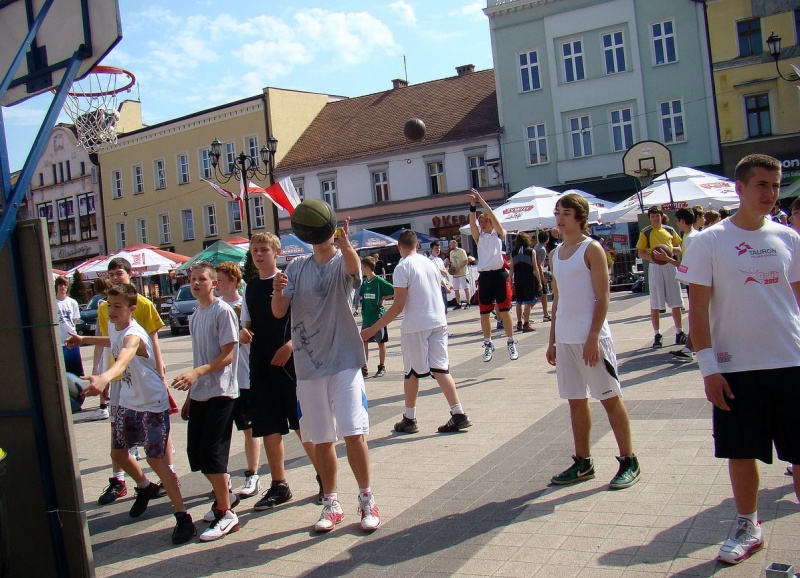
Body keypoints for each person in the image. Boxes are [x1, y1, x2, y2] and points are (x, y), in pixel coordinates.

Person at [675, 154, 800, 565]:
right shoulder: (708, 241)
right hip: (736, 368)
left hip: (791, 361)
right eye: (762, 184)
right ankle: (749, 525)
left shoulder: (788, 238)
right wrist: (708, 368)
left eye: (775, 185)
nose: (771, 193)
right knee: (742, 451)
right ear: (740, 188)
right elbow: (697, 311)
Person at [272, 210, 380, 534]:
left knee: (353, 432)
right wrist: (277, 289)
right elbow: (279, 311)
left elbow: (353, 269)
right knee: (322, 438)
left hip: (344, 361)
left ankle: (367, 499)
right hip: (308, 366)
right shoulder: (296, 266)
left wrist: (345, 244)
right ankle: (331, 503)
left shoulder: (342, 262)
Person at [67, 284, 195, 545]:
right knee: (118, 454)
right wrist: (84, 340)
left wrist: (104, 377)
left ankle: (183, 516)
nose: (111, 310)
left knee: (156, 460)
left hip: (151, 403)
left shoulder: (135, 334)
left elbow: (124, 356)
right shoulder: (115, 327)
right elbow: (112, 341)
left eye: (117, 306)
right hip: (128, 402)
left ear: (132, 309)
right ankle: (146, 487)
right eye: (108, 305)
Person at [546, 193, 640, 490]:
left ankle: (629, 460)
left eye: (566, 213)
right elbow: (558, 300)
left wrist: (593, 336)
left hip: (591, 338)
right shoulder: (555, 253)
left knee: (609, 397)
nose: (560, 218)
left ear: (580, 217)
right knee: (575, 400)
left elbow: (603, 296)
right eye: (557, 212)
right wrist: (552, 340)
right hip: (566, 339)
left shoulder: (592, 248)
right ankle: (583, 462)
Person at [239, 233, 322, 510]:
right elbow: (247, 324)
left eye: (264, 250)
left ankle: (324, 477)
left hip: (290, 365)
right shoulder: (250, 288)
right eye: (254, 250)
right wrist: (243, 333)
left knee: (301, 425)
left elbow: (307, 321)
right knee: (268, 428)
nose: (258, 255)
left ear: (276, 252)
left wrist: (290, 346)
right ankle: (279, 485)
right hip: (261, 366)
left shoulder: (288, 281)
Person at [84, 257, 175, 507]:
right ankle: (120, 480)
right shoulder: (105, 308)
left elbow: (151, 340)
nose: (115, 277)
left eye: (119, 273)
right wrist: (98, 370)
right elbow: (107, 341)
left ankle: (169, 476)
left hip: (143, 380)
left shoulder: (142, 305)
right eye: (111, 274)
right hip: (119, 379)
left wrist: (160, 371)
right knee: (117, 433)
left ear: (130, 274)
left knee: (156, 432)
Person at [361, 230, 472, 434]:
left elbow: (398, 306)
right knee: (441, 369)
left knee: (411, 371)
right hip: (439, 320)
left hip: (416, 325)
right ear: (417, 245)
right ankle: (458, 413)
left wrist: (372, 330)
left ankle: (410, 418)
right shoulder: (430, 263)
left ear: (399, 247)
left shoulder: (403, 267)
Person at [172, 261, 240, 542]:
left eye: (202, 279)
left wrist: (197, 373)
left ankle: (226, 513)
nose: (196, 283)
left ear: (214, 283)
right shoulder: (195, 316)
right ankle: (225, 497)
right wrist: (191, 394)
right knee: (197, 455)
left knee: (213, 455)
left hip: (221, 392)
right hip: (200, 393)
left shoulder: (222, 311)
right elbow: (199, 357)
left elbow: (228, 355)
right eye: (193, 279)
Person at [214, 261, 260, 501]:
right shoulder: (215, 307)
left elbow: (254, 337)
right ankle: (222, 477)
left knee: (249, 429)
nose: (216, 285)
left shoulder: (243, 307)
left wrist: (245, 334)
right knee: (222, 432)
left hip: (244, 378)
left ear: (233, 281)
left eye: (220, 280)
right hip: (222, 381)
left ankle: (253, 474)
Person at [468, 189, 519, 363]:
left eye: (484, 221)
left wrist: (481, 200)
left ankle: (510, 341)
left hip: (499, 275)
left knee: (505, 310)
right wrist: (473, 206)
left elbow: (493, 217)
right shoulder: (479, 237)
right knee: (484, 313)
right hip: (485, 277)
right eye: (480, 221)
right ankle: (488, 343)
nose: (481, 224)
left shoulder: (499, 234)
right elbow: (472, 224)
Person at [636, 207, 686, 348]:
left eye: (657, 215)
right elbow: (640, 253)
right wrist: (653, 257)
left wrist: (667, 249)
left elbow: (679, 248)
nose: (655, 218)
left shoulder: (669, 230)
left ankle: (679, 332)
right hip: (655, 267)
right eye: (653, 216)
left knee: (675, 300)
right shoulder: (645, 232)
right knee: (656, 303)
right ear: (649, 218)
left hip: (669, 265)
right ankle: (657, 334)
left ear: (661, 216)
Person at [668, 208, 698, 362]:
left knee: (697, 316)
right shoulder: (689, 236)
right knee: (697, 316)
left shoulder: (690, 238)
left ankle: (691, 348)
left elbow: (688, 265)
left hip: (695, 281)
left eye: (678, 221)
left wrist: (667, 259)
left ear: (683, 221)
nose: (677, 224)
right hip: (694, 281)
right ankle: (689, 348)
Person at [359, 256, 394, 378]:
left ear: (366, 267)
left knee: (381, 342)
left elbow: (394, 290)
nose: (361, 269)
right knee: (364, 342)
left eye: (362, 266)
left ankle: (381, 366)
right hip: (367, 317)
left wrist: (383, 298)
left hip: (377, 317)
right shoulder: (364, 282)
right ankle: (364, 367)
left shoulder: (379, 281)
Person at [510, 232, 541, 333]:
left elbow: (511, 268)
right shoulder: (531, 251)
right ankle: (526, 324)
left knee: (518, 302)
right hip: (528, 279)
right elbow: (535, 267)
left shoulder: (513, 252)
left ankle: (519, 323)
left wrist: (510, 281)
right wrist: (539, 281)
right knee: (528, 301)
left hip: (518, 279)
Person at [55, 276, 83, 378]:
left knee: (75, 369)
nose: (63, 287)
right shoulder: (53, 302)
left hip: (72, 338)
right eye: (60, 284)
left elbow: (74, 320)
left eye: (65, 285)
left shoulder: (72, 302)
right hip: (59, 339)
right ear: (56, 286)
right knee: (63, 369)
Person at [447, 240, 471, 309]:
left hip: (463, 273)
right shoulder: (451, 252)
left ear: (455, 244)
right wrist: (452, 269)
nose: (450, 246)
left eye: (451, 245)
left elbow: (465, 261)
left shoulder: (461, 251)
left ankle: (468, 302)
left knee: (465, 288)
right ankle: (458, 303)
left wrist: (458, 268)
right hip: (455, 274)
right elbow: (452, 262)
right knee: (456, 289)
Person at [428, 241, 451, 313]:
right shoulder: (430, 260)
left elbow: (445, 272)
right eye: (436, 248)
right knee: (440, 308)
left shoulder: (440, 259)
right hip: (436, 286)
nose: (438, 250)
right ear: (431, 249)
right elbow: (437, 275)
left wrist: (440, 270)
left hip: (443, 285)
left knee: (444, 307)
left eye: (439, 248)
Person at [534, 231, 551, 322]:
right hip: (539, 273)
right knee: (541, 295)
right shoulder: (542, 249)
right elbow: (539, 265)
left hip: (535, 273)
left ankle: (546, 314)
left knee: (542, 295)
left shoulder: (536, 246)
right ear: (547, 239)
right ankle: (545, 314)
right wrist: (542, 277)